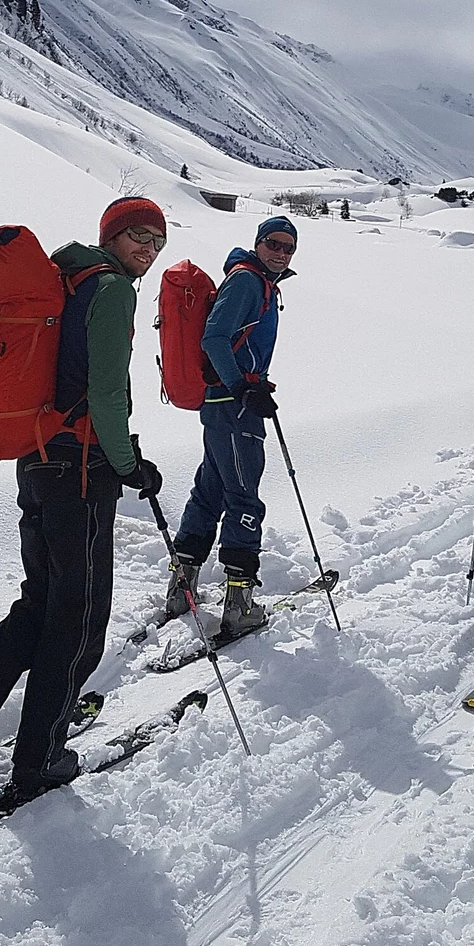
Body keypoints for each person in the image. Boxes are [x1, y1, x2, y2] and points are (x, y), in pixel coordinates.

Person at [0, 197, 167, 805]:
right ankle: (40, 757)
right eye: (137, 235)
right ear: (111, 236)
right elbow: (107, 391)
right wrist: (130, 464)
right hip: (80, 468)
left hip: (34, 458)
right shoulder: (112, 292)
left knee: (40, 604)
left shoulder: (64, 275)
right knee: (78, 619)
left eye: (157, 239)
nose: (149, 248)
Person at [164, 215, 297, 635]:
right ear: (258, 244)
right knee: (243, 496)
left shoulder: (258, 282)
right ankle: (238, 605)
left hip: (226, 403)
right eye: (273, 244)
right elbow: (214, 338)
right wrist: (243, 387)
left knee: (211, 490)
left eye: (288, 247)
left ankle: (181, 589)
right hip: (234, 405)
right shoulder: (246, 281)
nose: (280, 252)